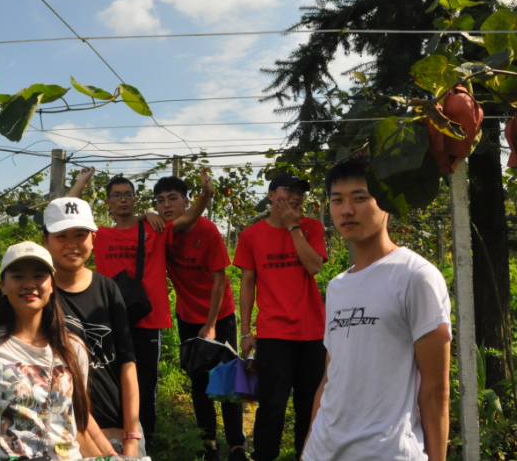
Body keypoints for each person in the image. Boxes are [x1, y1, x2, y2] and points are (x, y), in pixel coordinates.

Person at [301, 154, 451, 461]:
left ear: (387, 201)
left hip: (386, 452)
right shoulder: (337, 286)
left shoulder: (415, 276)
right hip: (323, 451)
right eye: (337, 200)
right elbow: (330, 377)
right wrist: (307, 449)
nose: (346, 210)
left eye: (360, 198)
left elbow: (436, 390)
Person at [69, 166, 215, 449]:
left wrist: (206, 193)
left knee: (146, 387)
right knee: (109, 383)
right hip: (108, 320)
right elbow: (69, 212)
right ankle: (113, 441)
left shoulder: (154, 230)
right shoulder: (99, 235)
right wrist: (81, 182)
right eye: (117, 196)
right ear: (108, 202)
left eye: (128, 195)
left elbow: (189, 218)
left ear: (135, 199)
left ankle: (146, 444)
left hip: (148, 319)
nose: (123, 199)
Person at [0, 241, 118, 461]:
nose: (29, 284)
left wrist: (111, 456)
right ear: (3, 286)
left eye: (39, 276)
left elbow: (76, 425)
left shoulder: (73, 348)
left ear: (52, 285)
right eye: (18, 276)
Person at [233, 173, 328, 461]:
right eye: (289, 190)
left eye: (300, 192)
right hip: (273, 333)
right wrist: (246, 331)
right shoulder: (251, 235)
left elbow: (314, 267)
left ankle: (306, 455)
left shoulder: (311, 227)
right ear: (272, 195)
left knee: (309, 404)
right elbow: (247, 284)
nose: (296, 196)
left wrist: (293, 228)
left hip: (313, 332)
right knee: (272, 404)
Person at [154, 175, 248, 461]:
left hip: (220, 314)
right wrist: (145, 216)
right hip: (187, 316)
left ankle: (236, 444)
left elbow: (220, 280)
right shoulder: (162, 231)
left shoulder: (207, 230)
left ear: (187, 201)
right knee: (199, 379)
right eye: (160, 201)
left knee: (227, 377)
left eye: (173, 199)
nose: (166, 205)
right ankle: (208, 443)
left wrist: (211, 324)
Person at [42, 197, 144, 458]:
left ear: (93, 238)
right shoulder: (40, 295)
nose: (72, 243)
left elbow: (127, 363)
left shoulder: (108, 289)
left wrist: (132, 436)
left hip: (118, 425)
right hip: (65, 428)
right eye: (61, 236)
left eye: (80, 234)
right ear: (45, 241)